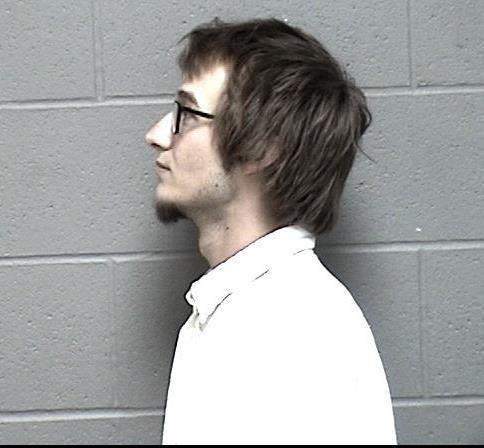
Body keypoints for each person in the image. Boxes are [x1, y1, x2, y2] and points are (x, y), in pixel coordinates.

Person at [145, 17, 397, 445]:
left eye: (187, 115)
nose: (156, 135)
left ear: (261, 149)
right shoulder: (248, 312)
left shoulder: (292, 333)